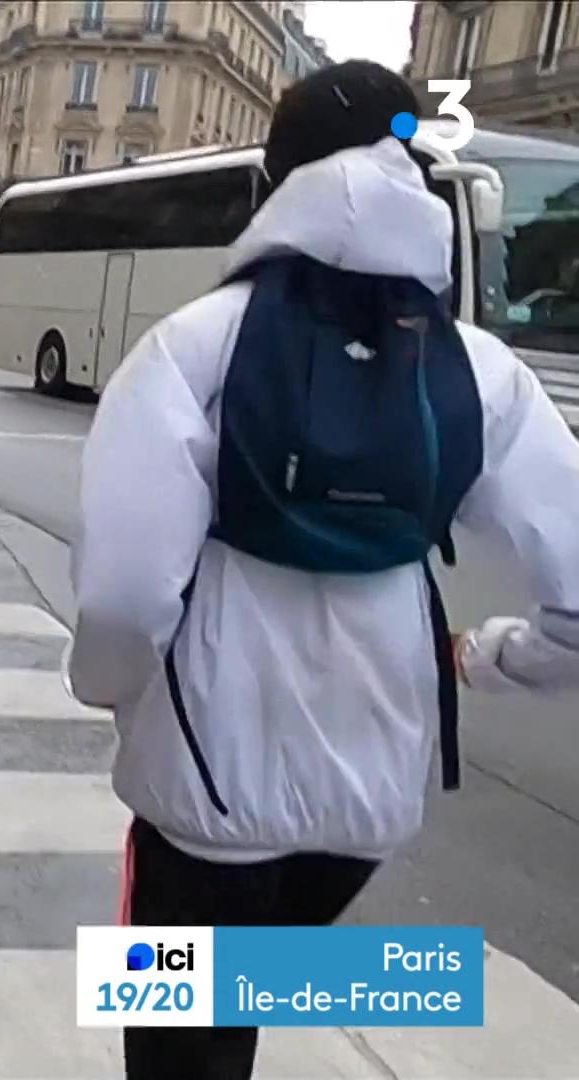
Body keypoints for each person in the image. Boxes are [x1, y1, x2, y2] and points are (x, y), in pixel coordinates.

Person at [67, 61, 579, 1080]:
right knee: (246, 987)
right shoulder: (481, 372)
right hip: (370, 804)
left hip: (202, 792)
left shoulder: (188, 350)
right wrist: (490, 656)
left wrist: (111, 694)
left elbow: (123, 599)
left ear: (274, 185)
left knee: (184, 1031)